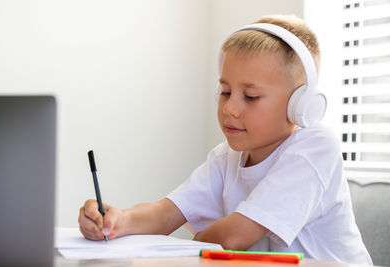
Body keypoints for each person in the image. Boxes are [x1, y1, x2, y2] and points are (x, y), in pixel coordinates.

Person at [78, 15, 372, 265]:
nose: (230, 108)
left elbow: (235, 236)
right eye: (226, 92)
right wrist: (118, 220)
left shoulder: (316, 147)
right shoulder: (225, 158)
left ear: (301, 106)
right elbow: (165, 213)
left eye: (251, 96)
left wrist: (194, 245)